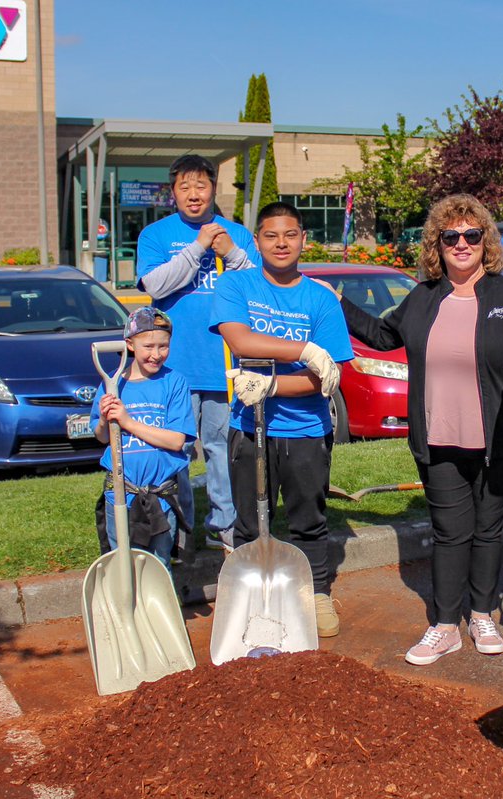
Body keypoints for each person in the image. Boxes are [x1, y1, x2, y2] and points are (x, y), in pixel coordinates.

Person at [338, 194, 503, 666]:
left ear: (485, 241)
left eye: (471, 235)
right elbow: (383, 336)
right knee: (449, 531)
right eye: (451, 237)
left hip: (499, 434)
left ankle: (482, 613)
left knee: (488, 528)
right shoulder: (424, 297)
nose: (461, 244)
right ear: (437, 245)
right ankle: (445, 625)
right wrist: (336, 303)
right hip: (438, 435)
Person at [211, 201, 352, 638]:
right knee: (251, 520)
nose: (281, 243)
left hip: (306, 429)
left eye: (290, 235)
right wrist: (302, 350)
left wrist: (272, 385)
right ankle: (254, 598)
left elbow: (327, 377)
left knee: (307, 518)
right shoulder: (235, 285)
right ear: (256, 242)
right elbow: (239, 337)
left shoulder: (320, 299)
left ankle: (319, 593)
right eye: (271, 235)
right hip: (249, 427)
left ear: (303, 240)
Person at [135, 154, 259, 553]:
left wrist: (231, 253)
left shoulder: (237, 234)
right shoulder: (155, 235)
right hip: (174, 365)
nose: (193, 194)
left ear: (213, 189)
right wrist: (199, 247)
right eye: (184, 187)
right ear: (173, 192)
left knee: (222, 447)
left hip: (225, 361)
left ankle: (223, 525)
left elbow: (256, 286)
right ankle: (181, 528)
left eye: (201, 186)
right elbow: (156, 284)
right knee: (177, 448)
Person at [90, 307, 195, 571]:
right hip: (120, 492)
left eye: (164, 346)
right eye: (148, 346)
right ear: (129, 345)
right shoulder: (112, 384)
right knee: (122, 563)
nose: (156, 354)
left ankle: (158, 610)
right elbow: (103, 437)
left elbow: (175, 440)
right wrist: (105, 419)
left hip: (161, 493)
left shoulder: (174, 382)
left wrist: (127, 422)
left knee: (159, 564)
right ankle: (125, 611)